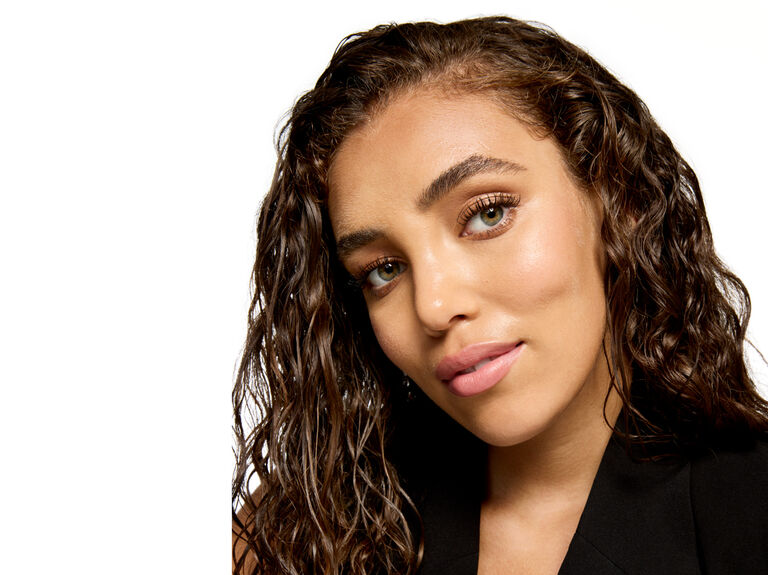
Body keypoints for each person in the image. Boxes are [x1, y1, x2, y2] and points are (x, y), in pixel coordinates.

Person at [232, 16, 768, 574]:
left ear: (618, 197)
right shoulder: (306, 529)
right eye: (384, 269)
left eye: (488, 215)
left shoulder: (747, 511)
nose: (433, 308)